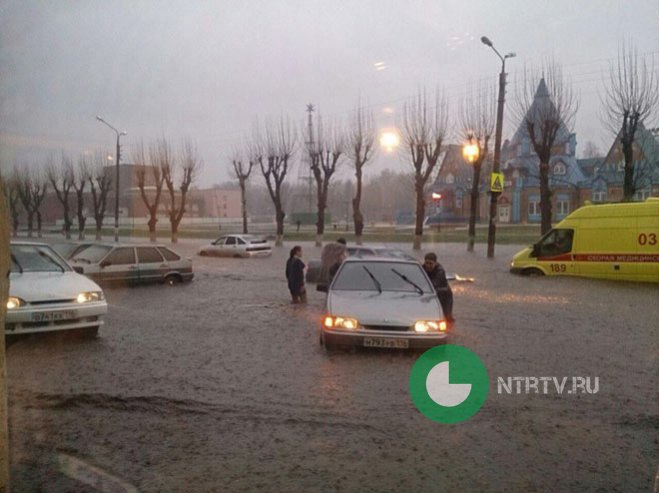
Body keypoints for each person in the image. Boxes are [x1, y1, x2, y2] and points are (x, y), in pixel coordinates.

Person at [422, 252, 454, 323]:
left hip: (445, 296)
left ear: (435, 263)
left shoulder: (440, 271)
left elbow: (433, 284)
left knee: (446, 316)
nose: (428, 266)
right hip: (432, 294)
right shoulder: (422, 268)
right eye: (427, 263)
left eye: (431, 264)